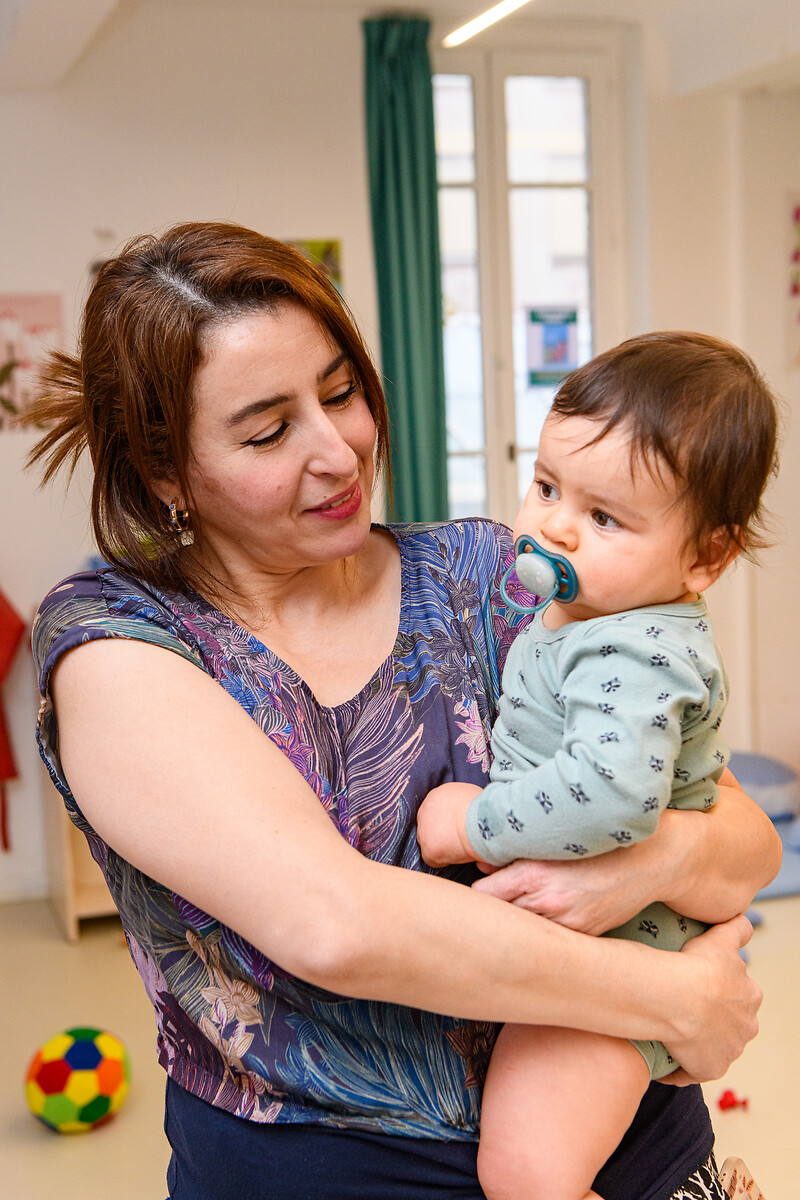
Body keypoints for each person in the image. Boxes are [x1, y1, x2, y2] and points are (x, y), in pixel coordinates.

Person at [26, 224, 777, 1200]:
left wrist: (662, 861)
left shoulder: (487, 572)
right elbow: (335, 923)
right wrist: (673, 997)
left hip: (616, 1142)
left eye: (339, 393)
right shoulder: (119, 642)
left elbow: (744, 835)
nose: (336, 451)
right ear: (167, 470)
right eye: (266, 431)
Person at [415, 331, 780, 1200]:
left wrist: (472, 822)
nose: (553, 525)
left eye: (605, 517)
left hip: (624, 958)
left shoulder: (635, 650)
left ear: (706, 557)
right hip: (613, 950)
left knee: (527, 1175)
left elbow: (611, 795)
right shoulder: (591, 617)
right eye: (546, 486)